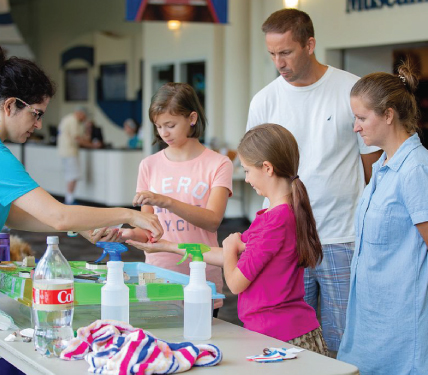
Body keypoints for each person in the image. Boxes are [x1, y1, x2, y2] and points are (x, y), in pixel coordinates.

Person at [0, 40, 163, 375]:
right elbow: (56, 213)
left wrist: (79, 228)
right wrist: (128, 213)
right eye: (35, 114)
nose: (37, 125)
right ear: (10, 105)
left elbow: (10, 213)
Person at [246, 8, 382, 353]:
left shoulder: (350, 88)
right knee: (290, 341)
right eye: (272, 54)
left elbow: (371, 165)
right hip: (285, 238)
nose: (279, 62)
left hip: (340, 235)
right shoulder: (264, 99)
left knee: (346, 339)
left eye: (286, 52)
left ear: (310, 44)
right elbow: (256, 168)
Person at [129, 124, 328, 355]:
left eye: (246, 170)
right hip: (282, 331)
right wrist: (167, 246)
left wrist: (230, 244)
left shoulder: (275, 221)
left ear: (267, 168)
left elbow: (235, 282)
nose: (246, 179)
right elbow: (227, 256)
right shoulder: (281, 214)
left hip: (279, 337)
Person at [337, 62, 428, 374]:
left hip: (403, 329)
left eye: (362, 118)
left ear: (388, 115)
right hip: (370, 322)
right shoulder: (380, 168)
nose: (356, 127)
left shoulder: (415, 169)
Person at [121, 82, 233, 313]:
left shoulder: (218, 163)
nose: (163, 133)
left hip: (200, 273)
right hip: (157, 272)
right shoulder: (149, 165)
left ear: (192, 118)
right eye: (158, 126)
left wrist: (166, 201)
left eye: (170, 125)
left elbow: (212, 220)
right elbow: (149, 228)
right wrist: (128, 233)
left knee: (202, 344)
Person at [57, 106, 88, 204]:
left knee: (69, 175)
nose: (84, 118)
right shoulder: (74, 121)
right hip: (70, 151)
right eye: (84, 116)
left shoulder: (66, 118)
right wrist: (91, 144)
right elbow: (77, 138)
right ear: (80, 113)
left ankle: (69, 198)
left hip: (64, 151)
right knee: (73, 176)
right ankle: (69, 200)